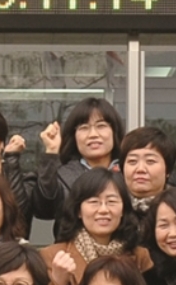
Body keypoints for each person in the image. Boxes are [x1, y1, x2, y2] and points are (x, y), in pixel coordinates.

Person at [39, 168, 151, 285]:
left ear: (123, 209)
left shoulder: (139, 257)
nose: (103, 210)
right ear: (78, 211)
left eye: (112, 201)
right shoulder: (52, 257)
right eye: (94, 202)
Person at [32, 96, 124, 224]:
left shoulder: (128, 173)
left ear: (115, 131)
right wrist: (51, 153)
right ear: (74, 135)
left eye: (101, 126)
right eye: (84, 128)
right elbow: (44, 209)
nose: (93, 134)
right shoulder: (61, 174)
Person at [120, 126, 176, 227]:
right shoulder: (112, 208)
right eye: (132, 161)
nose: (140, 169)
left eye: (150, 161)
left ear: (167, 169)